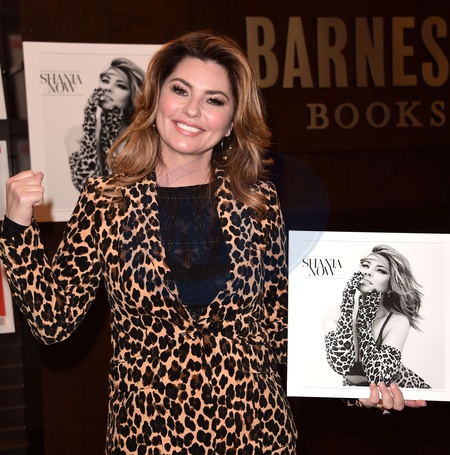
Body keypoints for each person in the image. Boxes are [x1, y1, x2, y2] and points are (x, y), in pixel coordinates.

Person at [1, 31, 425, 454]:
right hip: (147, 437)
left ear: (232, 120)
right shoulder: (106, 200)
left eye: (214, 99)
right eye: (180, 90)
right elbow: (52, 321)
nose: (192, 110)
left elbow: (280, 329)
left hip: (257, 434)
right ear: (155, 99)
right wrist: (17, 225)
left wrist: (354, 388)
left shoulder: (257, 202)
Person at [323, 244, 431, 389]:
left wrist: (365, 323)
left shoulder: (397, 321)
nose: (368, 272)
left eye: (380, 270)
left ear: (391, 286)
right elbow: (340, 364)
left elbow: (378, 377)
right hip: (358, 398)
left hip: (405, 393)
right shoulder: (333, 315)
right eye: (365, 265)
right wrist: (348, 302)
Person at [65, 57, 145, 191]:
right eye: (105, 80)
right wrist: (90, 123)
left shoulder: (143, 139)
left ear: (133, 95)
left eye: (121, 86)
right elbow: (88, 187)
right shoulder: (76, 135)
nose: (108, 88)